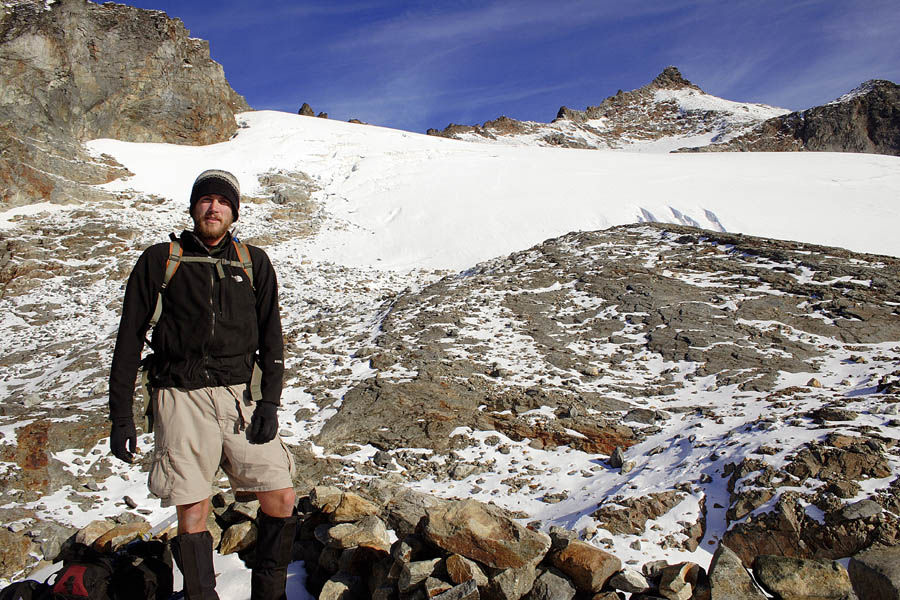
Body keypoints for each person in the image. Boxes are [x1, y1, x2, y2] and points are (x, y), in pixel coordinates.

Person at [108, 169, 297, 600]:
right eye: (205, 200)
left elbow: (271, 337)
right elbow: (128, 341)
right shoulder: (161, 259)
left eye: (223, 202)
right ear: (194, 208)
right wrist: (121, 417)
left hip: (239, 397)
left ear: (233, 212)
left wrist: (269, 403)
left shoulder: (254, 262)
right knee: (192, 508)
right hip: (180, 397)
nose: (214, 208)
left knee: (281, 496)